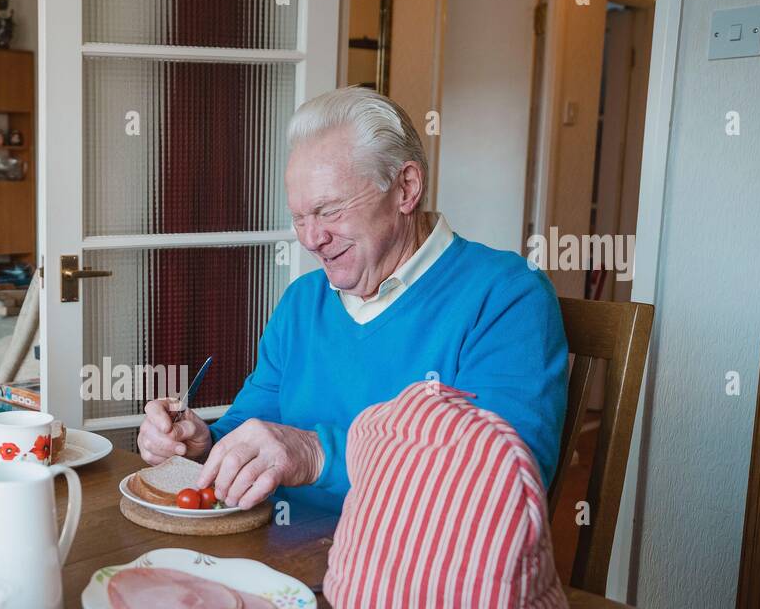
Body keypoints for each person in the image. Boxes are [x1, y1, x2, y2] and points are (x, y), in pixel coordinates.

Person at [137, 86, 568, 515]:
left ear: (405, 188)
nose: (311, 238)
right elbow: (253, 421)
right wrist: (202, 443)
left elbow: (504, 483)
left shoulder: (506, 296)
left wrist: (317, 455)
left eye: (329, 211)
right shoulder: (303, 301)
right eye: (299, 217)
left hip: (406, 576)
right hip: (276, 561)